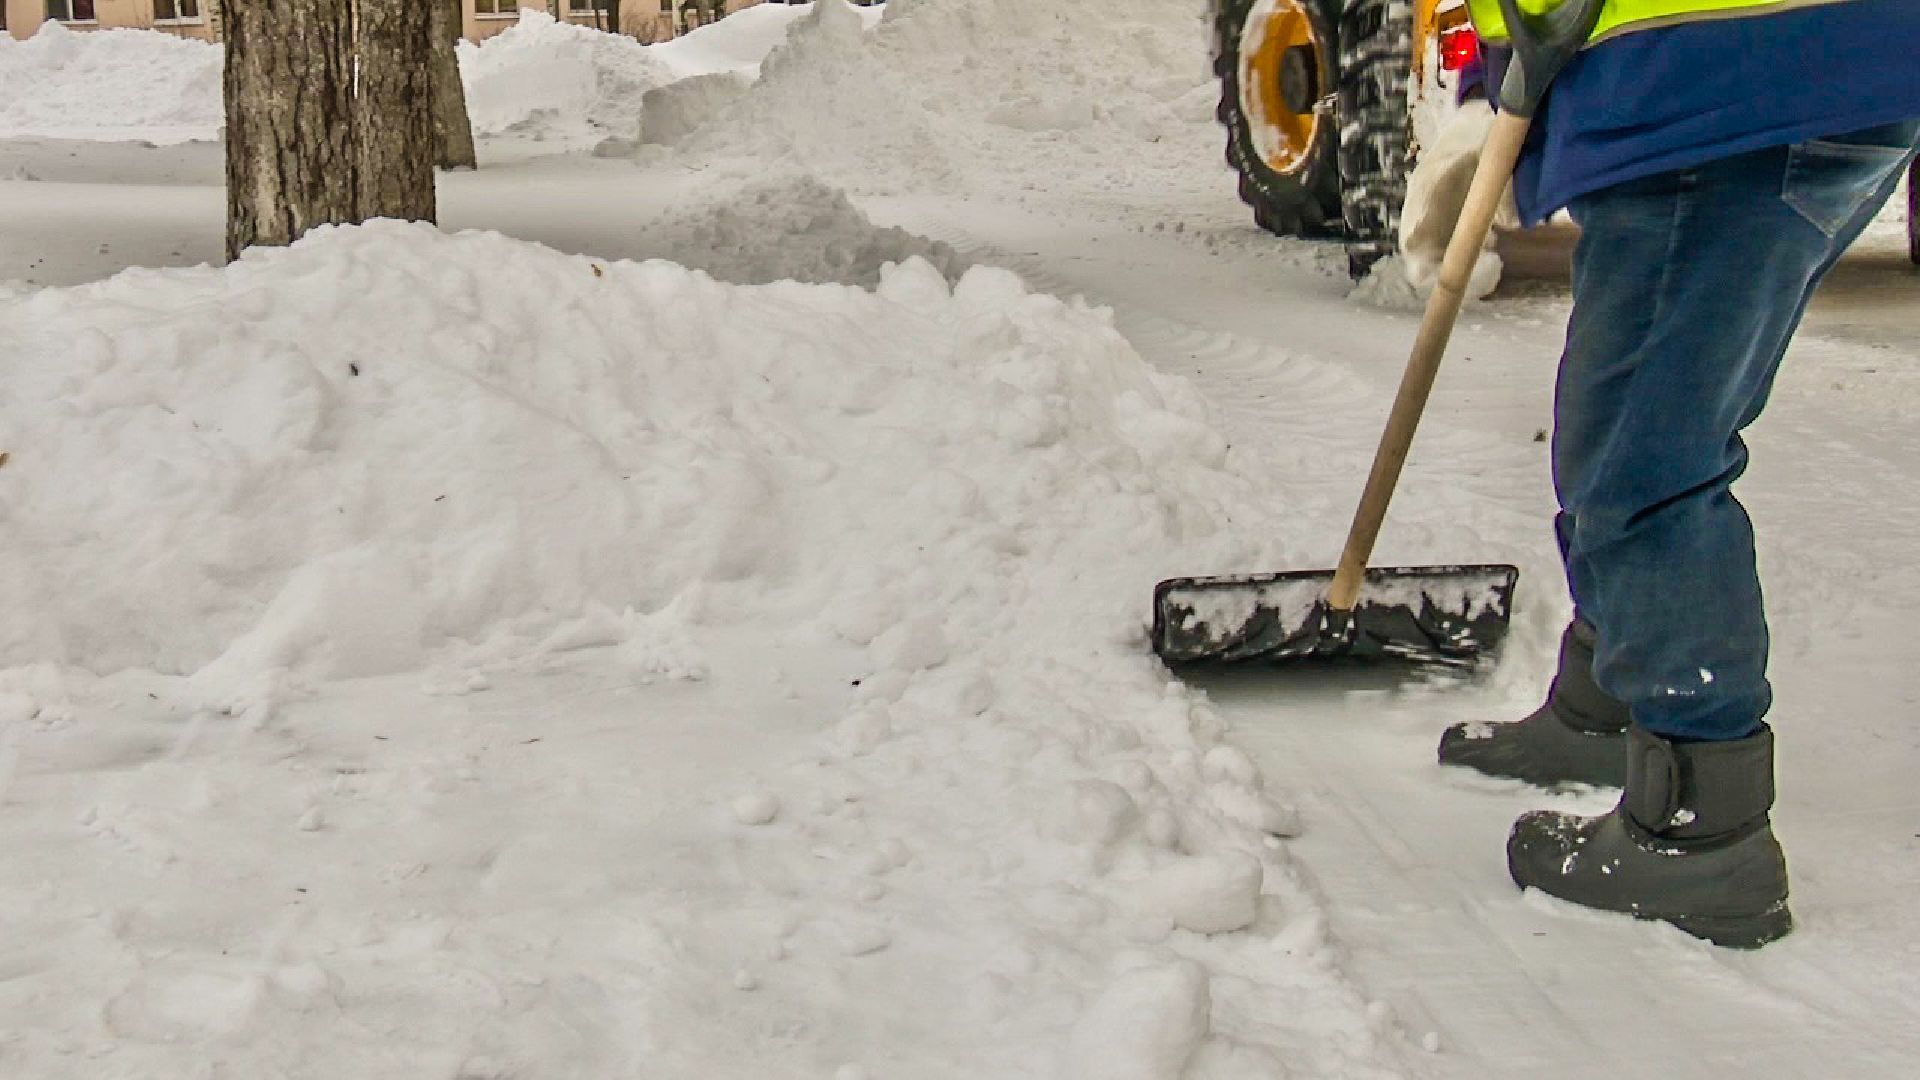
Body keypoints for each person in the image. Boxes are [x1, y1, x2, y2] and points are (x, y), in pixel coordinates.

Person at [1436, 0, 1920, 948]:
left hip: (1724, 82)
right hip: (1777, 70)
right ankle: (1609, 701)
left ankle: (1702, 830)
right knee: (1624, 422)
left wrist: (1500, 72)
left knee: (1643, 463)